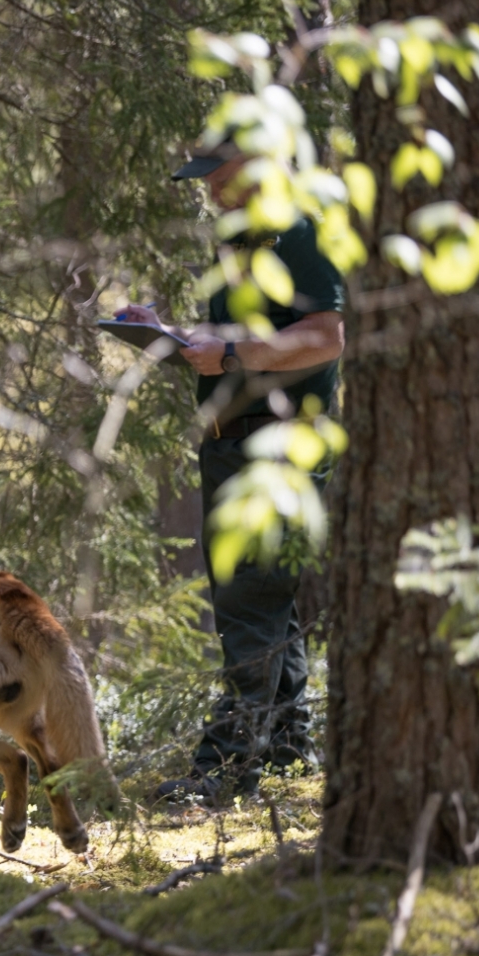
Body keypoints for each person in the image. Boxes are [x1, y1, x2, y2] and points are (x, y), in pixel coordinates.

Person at [119, 138, 345, 804]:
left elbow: (327, 335)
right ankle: (285, 749)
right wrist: (170, 334)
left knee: (249, 602)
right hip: (230, 444)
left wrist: (233, 355)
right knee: (266, 601)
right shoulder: (239, 237)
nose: (210, 190)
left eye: (220, 176)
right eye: (204, 179)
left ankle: (223, 769)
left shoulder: (300, 229)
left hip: (280, 446)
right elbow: (247, 337)